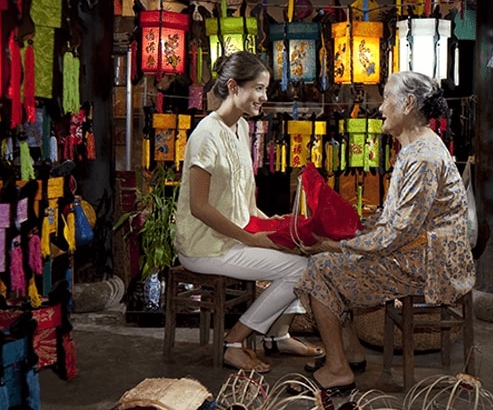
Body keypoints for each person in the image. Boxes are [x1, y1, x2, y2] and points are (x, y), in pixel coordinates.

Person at [295, 71, 476, 394]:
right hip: (417, 250)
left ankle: (338, 368)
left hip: (428, 262)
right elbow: (398, 221)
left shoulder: (424, 158)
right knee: (329, 263)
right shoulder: (415, 147)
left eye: (387, 98)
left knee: (321, 268)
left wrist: (340, 246)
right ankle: (348, 353)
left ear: (408, 104)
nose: (381, 108)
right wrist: (355, 234)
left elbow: (399, 232)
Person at [173, 51, 322, 373]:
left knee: (303, 252)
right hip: (205, 246)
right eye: (258, 88)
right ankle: (234, 343)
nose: (264, 97)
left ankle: (278, 336)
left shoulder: (240, 127)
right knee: (300, 269)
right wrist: (251, 238)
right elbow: (199, 207)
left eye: (265, 89)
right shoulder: (206, 135)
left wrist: (272, 224)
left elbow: (241, 197)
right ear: (233, 87)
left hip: (234, 237)